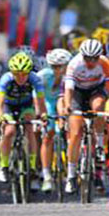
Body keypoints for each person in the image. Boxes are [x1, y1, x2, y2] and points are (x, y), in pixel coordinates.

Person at [63, 38, 109, 194]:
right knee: (76, 133)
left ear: (100, 56)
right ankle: (71, 176)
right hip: (77, 92)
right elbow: (69, 90)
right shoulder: (74, 64)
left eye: (94, 58)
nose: (91, 62)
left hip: (96, 90)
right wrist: (67, 106)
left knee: (98, 107)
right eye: (87, 58)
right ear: (81, 55)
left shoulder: (105, 64)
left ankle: (98, 142)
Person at [0, 52, 48, 189]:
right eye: (17, 74)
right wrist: (1, 118)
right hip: (8, 106)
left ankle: (31, 166)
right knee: (9, 131)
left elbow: (41, 103)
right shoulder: (5, 80)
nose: (20, 77)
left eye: (24, 74)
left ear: (29, 72)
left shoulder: (35, 79)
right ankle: (4, 165)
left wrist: (43, 116)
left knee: (29, 128)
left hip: (26, 106)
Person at [38, 48, 70, 192]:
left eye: (60, 66)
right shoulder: (43, 76)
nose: (57, 70)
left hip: (64, 102)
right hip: (47, 104)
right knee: (47, 136)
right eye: (54, 67)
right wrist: (40, 114)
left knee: (72, 132)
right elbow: (37, 97)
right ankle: (46, 176)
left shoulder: (70, 75)